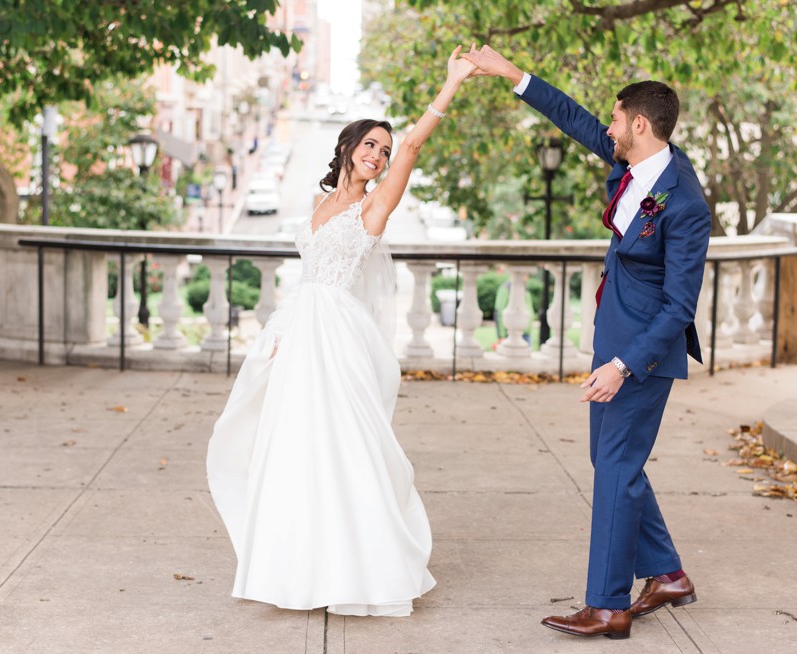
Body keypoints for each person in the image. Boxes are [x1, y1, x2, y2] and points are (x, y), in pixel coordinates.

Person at [206, 47, 477, 617]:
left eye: (383, 149)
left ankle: (366, 569)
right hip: (301, 331)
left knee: (348, 448)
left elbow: (414, 145)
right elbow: (306, 276)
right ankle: (301, 571)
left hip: (339, 339)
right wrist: (279, 332)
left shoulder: (375, 208)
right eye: (370, 145)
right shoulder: (319, 203)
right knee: (295, 450)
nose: (378, 155)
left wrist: (450, 84)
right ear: (348, 148)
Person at [462, 45, 711, 640]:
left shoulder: (686, 202)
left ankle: (607, 605)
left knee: (615, 468)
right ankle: (667, 573)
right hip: (616, 335)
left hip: (643, 353)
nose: (609, 127)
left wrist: (624, 365)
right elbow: (573, 118)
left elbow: (680, 306)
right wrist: (512, 74)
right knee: (613, 462)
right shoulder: (634, 163)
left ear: (641, 125)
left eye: (617, 119)